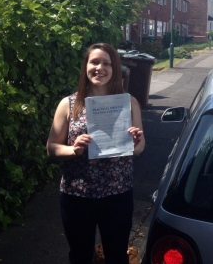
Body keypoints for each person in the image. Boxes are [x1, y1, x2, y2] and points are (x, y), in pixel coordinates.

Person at [47, 43, 145, 264]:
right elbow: (52, 146)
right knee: (80, 255)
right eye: (94, 62)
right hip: (77, 194)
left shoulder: (128, 103)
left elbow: (139, 146)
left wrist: (135, 143)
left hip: (117, 193)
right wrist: (73, 149)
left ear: (115, 69)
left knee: (117, 255)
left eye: (106, 63)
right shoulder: (69, 104)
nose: (100, 67)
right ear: (86, 66)